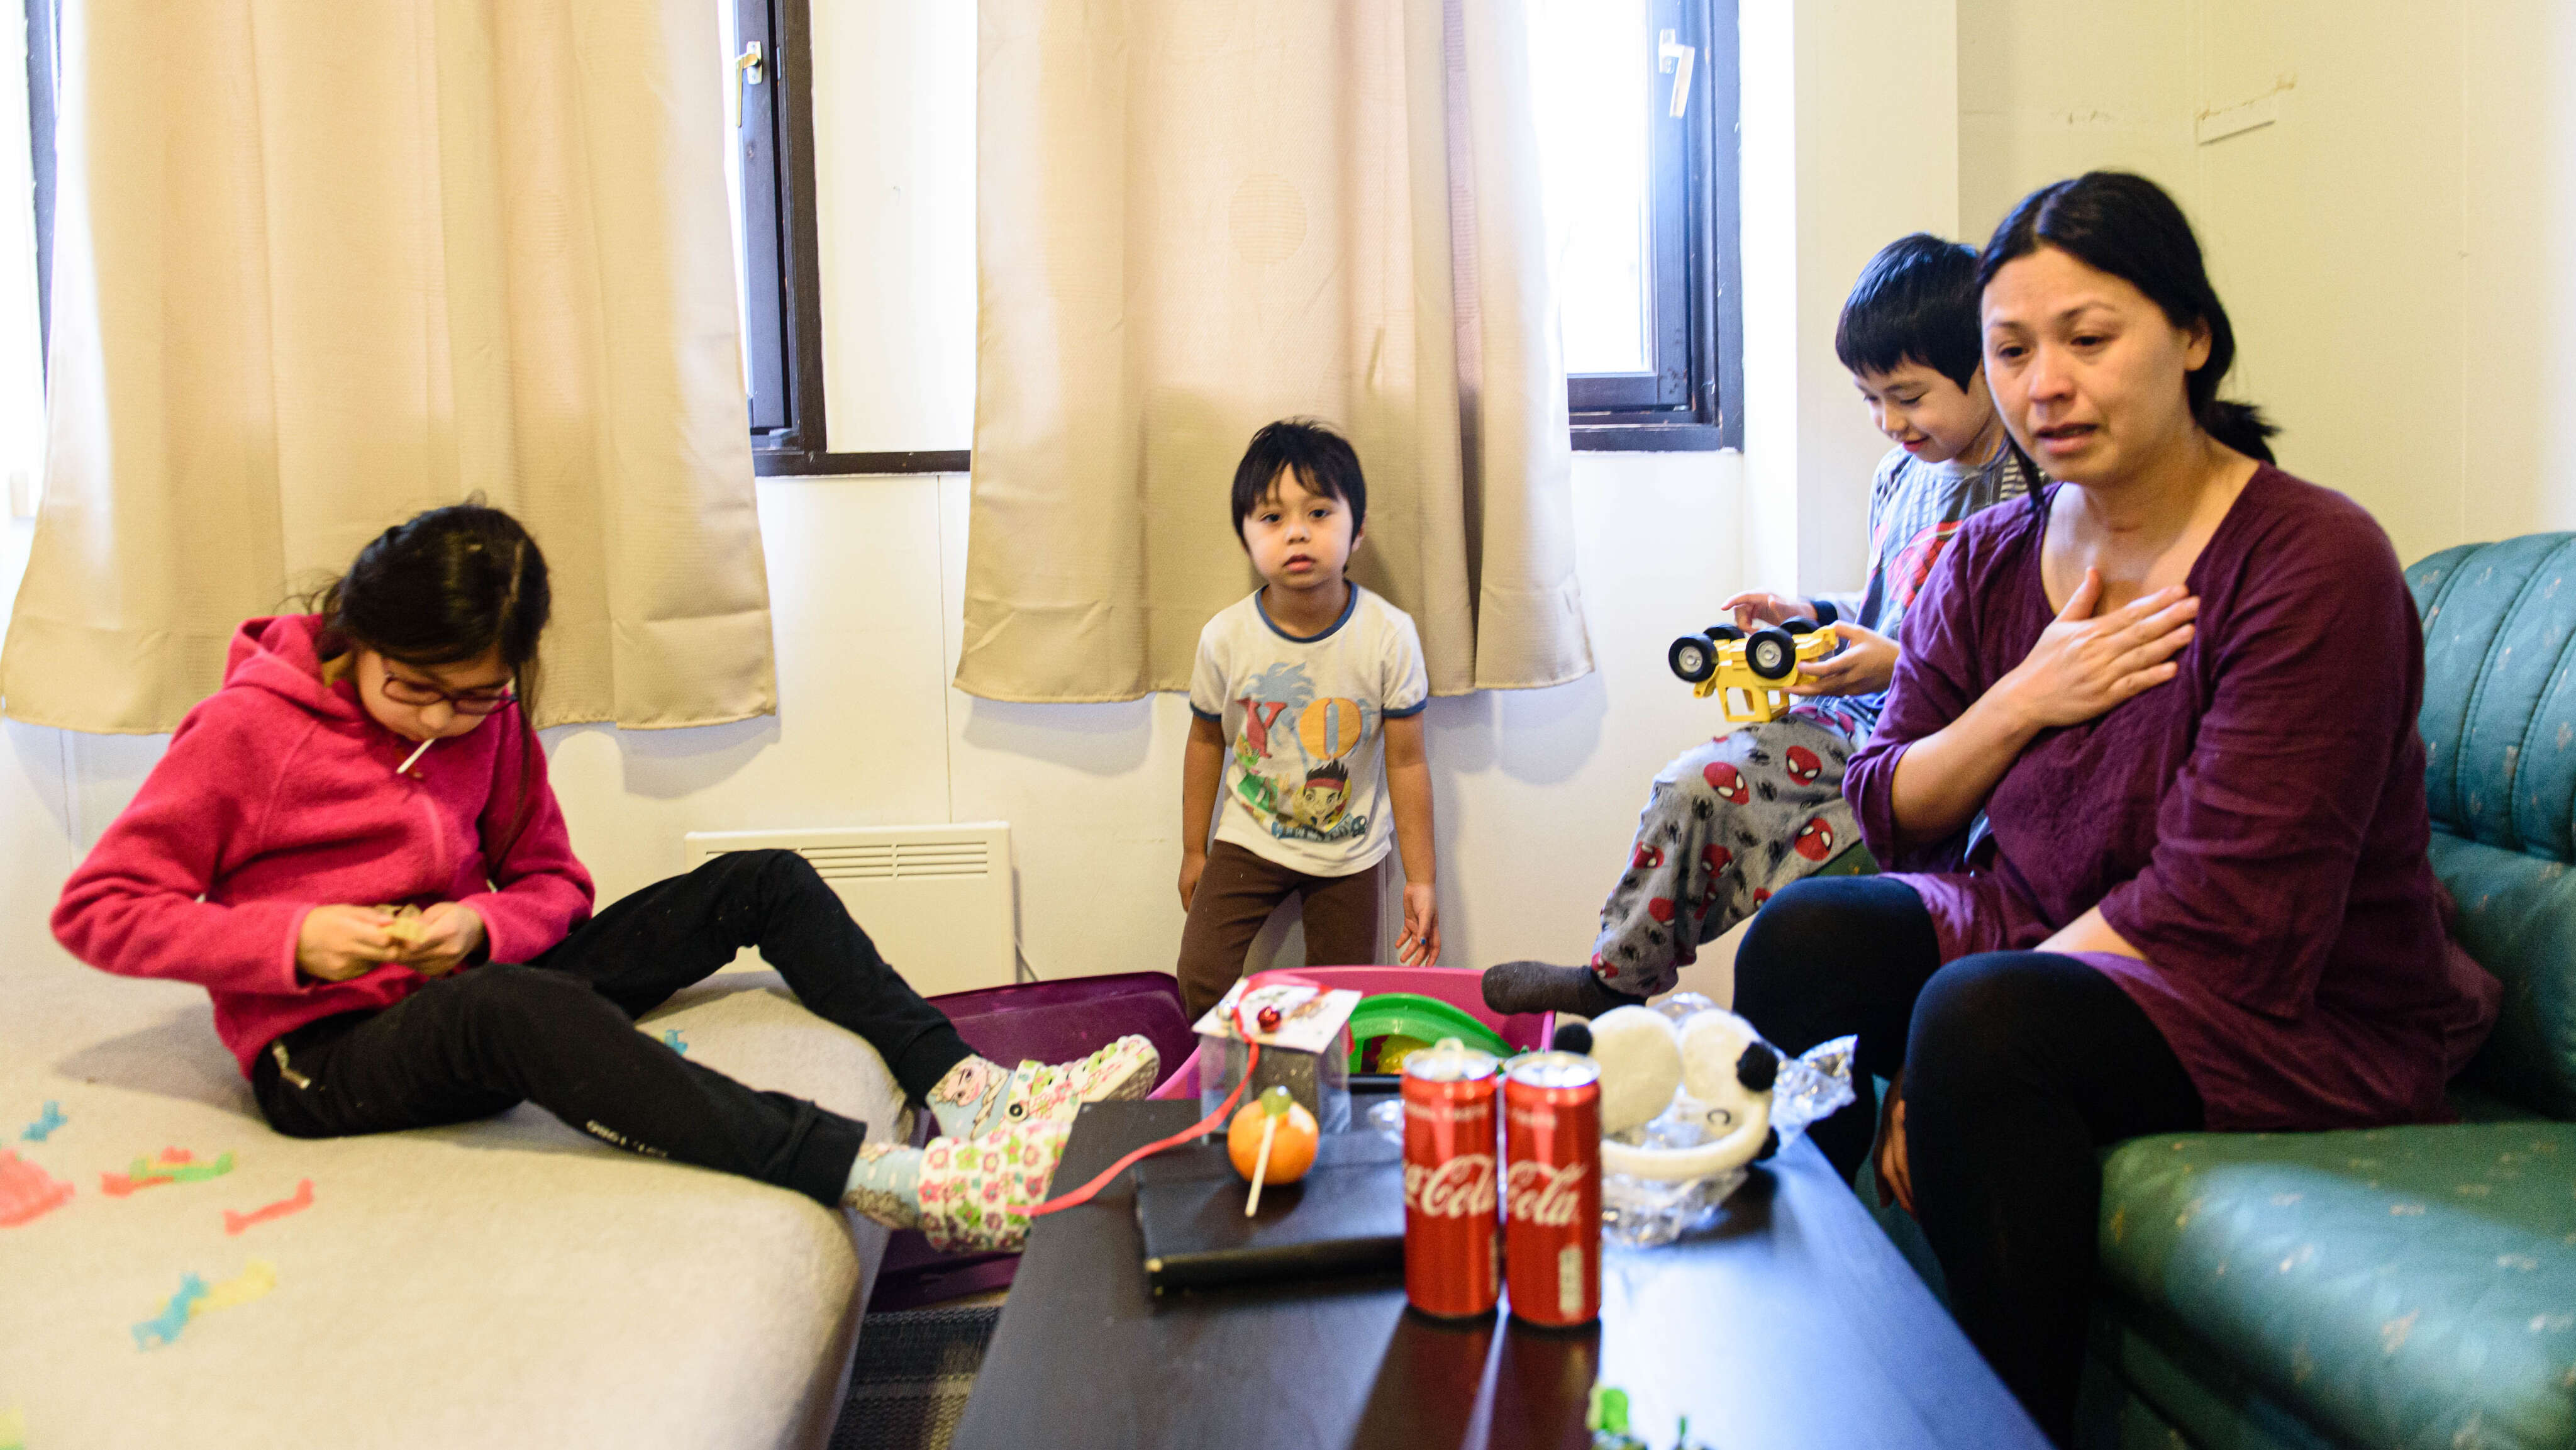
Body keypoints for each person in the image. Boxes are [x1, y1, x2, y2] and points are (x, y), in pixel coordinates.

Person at [1726, 173, 2499, 1443]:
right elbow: (1893, 804)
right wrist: (2020, 699)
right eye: (2011, 351)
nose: (2045, 385)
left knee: (1978, 1020)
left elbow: (2224, 908)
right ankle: (1819, 1364)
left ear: (2191, 334)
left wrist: (1934, 1051)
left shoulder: (2311, 561)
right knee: (1803, 939)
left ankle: (2000, 1429)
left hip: (2281, 990)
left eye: (2087, 339)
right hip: (2040, 927)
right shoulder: (1985, 558)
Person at [52, 503, 1158, 1254]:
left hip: (467, 982)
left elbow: (553, 884)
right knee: (506, 1007)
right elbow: (98, 909)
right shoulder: (248, 731)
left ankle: (969, 1094)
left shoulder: (490, 723)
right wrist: (292, 943)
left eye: (476, 697)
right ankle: (895, 1183)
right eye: (415, 689)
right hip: (326, 1054)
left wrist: (479, 925)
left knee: (762, 879)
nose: (443, 720)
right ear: (355, 634)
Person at [1484, 233, 2038, 1020]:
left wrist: (1899, 665)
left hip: (1951, 745)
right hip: (1856, 720)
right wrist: (1812, 615)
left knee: (1807, 887)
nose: (1888, 421)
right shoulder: (1900, 475)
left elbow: (2024, 657)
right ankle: (1613, 982)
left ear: (1986, 364)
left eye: (1909, 397)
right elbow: (1889, 601)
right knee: (1691, 786)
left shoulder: (2026, 486)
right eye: (1869, 398)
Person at [1176, 420, 1438, 1020]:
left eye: (1319, 513)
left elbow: (1407, 761)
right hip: (1249, 834)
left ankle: (1311, 1080)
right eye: (1272, 518)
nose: (1296, 532)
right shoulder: (1225, 638)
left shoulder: (1389, 636)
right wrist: (1194, 848)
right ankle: (1238, 1072)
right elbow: (1205, 740)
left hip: (1349, 850)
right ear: (1246, 538)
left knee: (1343, 1005)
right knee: (1201, 974)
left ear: (1358, 528)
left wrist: (1421, 878)